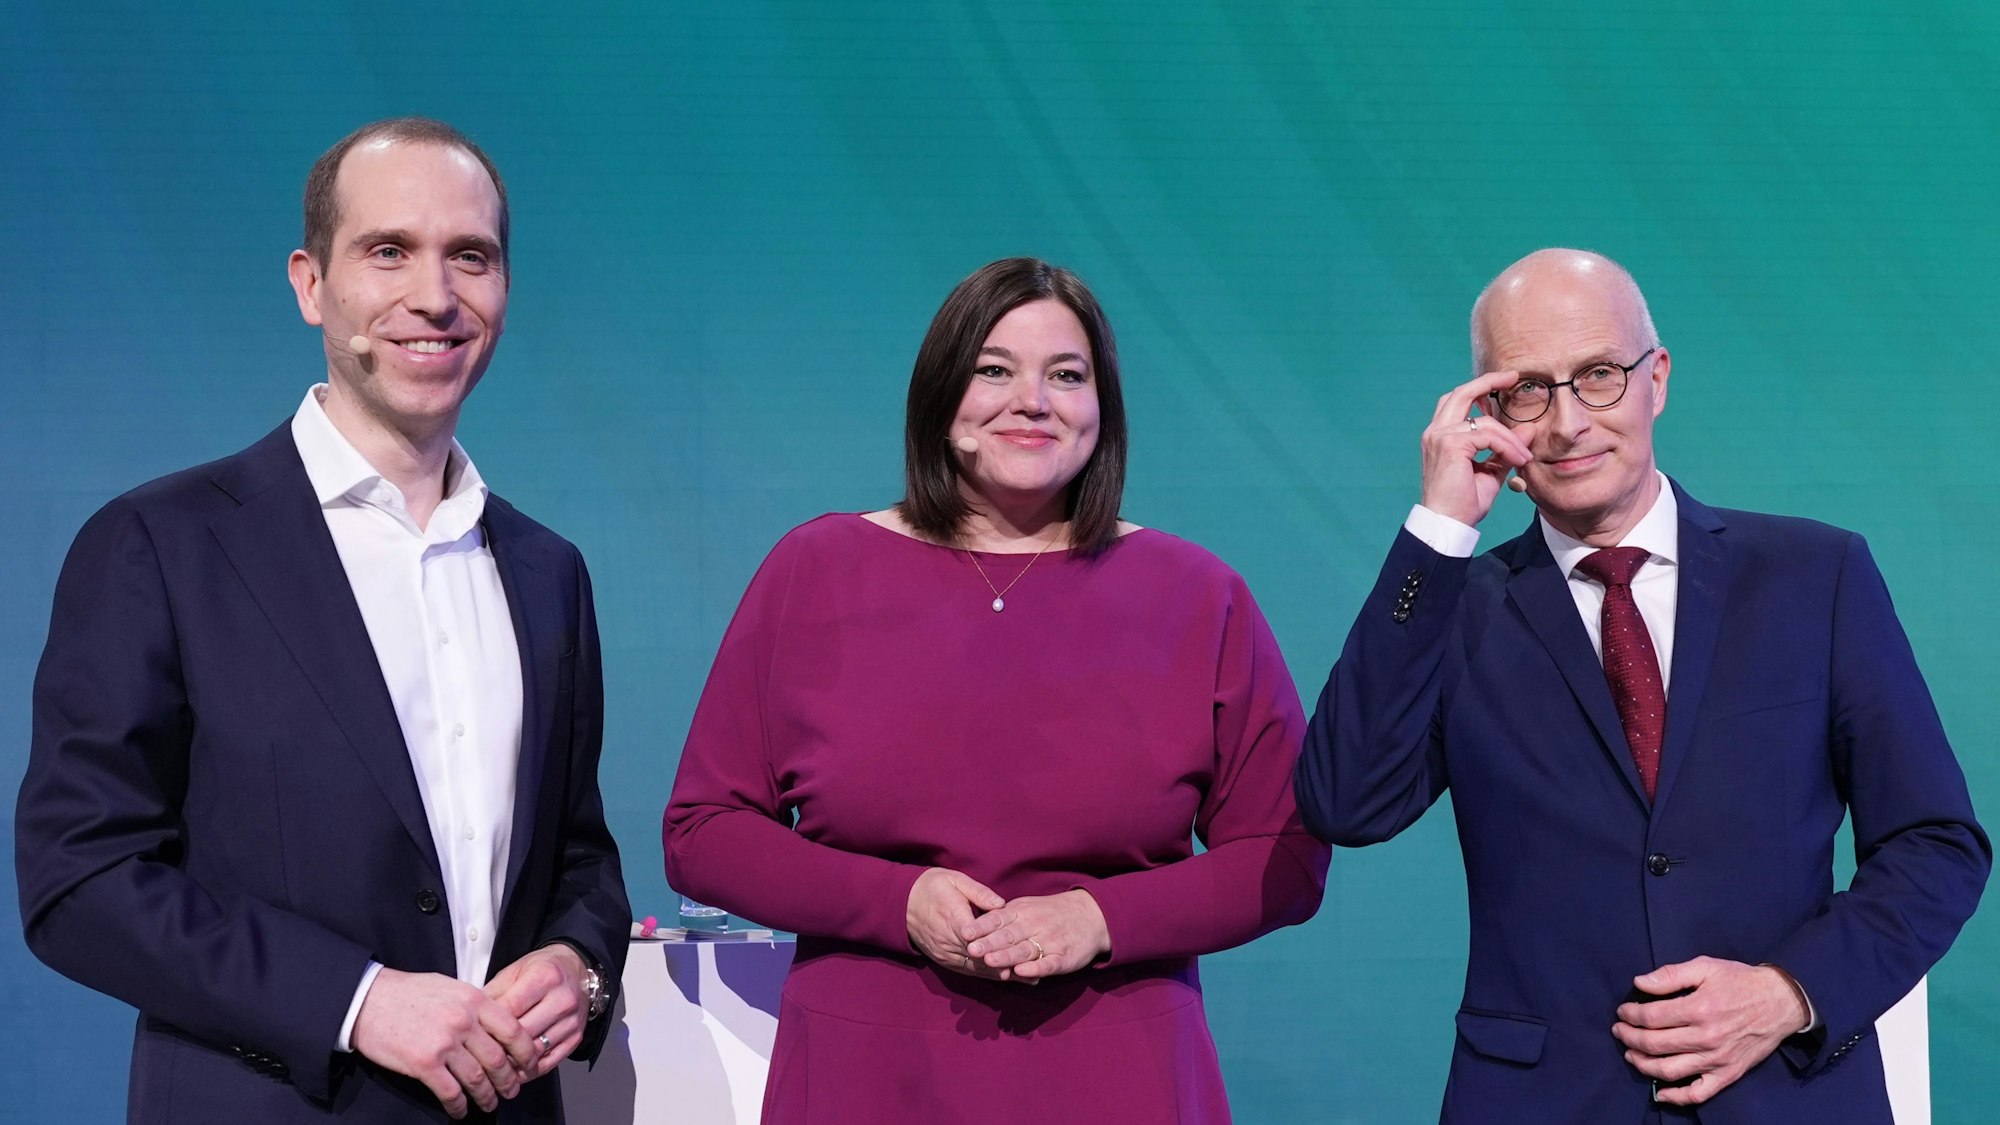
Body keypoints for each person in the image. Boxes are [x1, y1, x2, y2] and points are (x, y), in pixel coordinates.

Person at [15, 118, 630, 1123]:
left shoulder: (546, 571)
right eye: (388, 251)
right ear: (310, 284)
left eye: (468, 256)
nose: (434, 296)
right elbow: (80, 880)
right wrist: (355, 1002)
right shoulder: (160, 545)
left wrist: (578, 964)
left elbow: (579, 859)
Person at [1295, 248, 1989, 1122]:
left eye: (1596, 376)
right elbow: (1344, 802)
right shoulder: (1456, 609)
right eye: (1528, 390)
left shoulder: (1815, 576)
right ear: (1487, 411)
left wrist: (1788, 991)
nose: (1566, 422)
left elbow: (1937, 845)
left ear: (1655, 379)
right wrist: (1436, 531)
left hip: (1787, 1093)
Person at [664, 257, 1329, 1123]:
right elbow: (703, 832)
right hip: (865, 1078)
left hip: (1121, 1082)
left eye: (1067, 375)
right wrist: (897, 901)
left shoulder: (1197, 593)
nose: (1033, 400)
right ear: (943, 396)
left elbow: (1285, 856)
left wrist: (1100, 917)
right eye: (994, 369)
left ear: (1103, 409)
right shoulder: (816, 570)